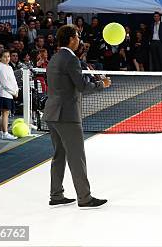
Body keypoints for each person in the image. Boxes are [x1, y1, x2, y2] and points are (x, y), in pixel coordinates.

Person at [43, 25, 111, 209]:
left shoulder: (55, 58)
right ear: (71, 38)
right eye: (78, 36)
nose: (79, 40)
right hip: (67, 115)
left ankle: (56, 195)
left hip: (52, 113)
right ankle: (85, 197)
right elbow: (82, 86)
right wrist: (101, 83)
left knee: (59, 155)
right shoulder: (70, 59)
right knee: (76, 156)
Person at [0, 51, 18, 141]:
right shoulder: (1, 68)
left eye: (8, 56)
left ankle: (1, 132)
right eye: (4, 57)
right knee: (5, 113)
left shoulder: (9, 67)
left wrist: (16, 90)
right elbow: (5, 84)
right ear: (0, 58)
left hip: (9, 94)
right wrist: (13, 92)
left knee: (4, 113)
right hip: (4, 94)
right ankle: (5, 133)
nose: (7, 58)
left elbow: (13, 80)